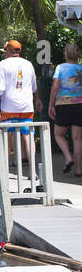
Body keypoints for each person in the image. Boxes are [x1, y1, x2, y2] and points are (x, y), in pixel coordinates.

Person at [0, 39, 41, 168]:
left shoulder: (3, 64)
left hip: (9, 106)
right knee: (28, 136)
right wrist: (38, 99)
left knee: (7, 135)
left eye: (4, 51)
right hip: (27, 106)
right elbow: (34, 86)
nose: (4, 54)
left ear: (8, 51)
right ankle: (32, 171)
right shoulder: (28, 64)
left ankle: (5, 170)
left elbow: (0, 88)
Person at [49, 42, 82, 176]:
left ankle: (68, 158)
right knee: (78, 139)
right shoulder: (81, 68)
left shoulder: (60, 68)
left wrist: (51, 104)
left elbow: (56, 86)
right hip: (80, 105)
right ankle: (78, 170)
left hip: (63, 104)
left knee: (58, 134)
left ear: (66, 53)